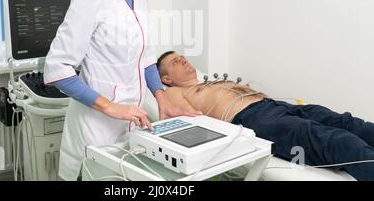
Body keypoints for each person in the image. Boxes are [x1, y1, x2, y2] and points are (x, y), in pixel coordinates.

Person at [43, 0, 200, 181]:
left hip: (131, 127)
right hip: (95, 132)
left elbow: (146, 57)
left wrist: (161, 98)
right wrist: (111, 107)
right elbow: (57, 70)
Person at [156, 50, 374, 181]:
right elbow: (185, 117)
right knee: (335, 140)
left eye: (182, 57)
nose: (183, 60)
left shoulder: (206, 82)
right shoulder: (174, 92)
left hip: (273, 105)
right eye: (175, 62)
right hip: (253, 119)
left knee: (347, 123)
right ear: (166, 79)